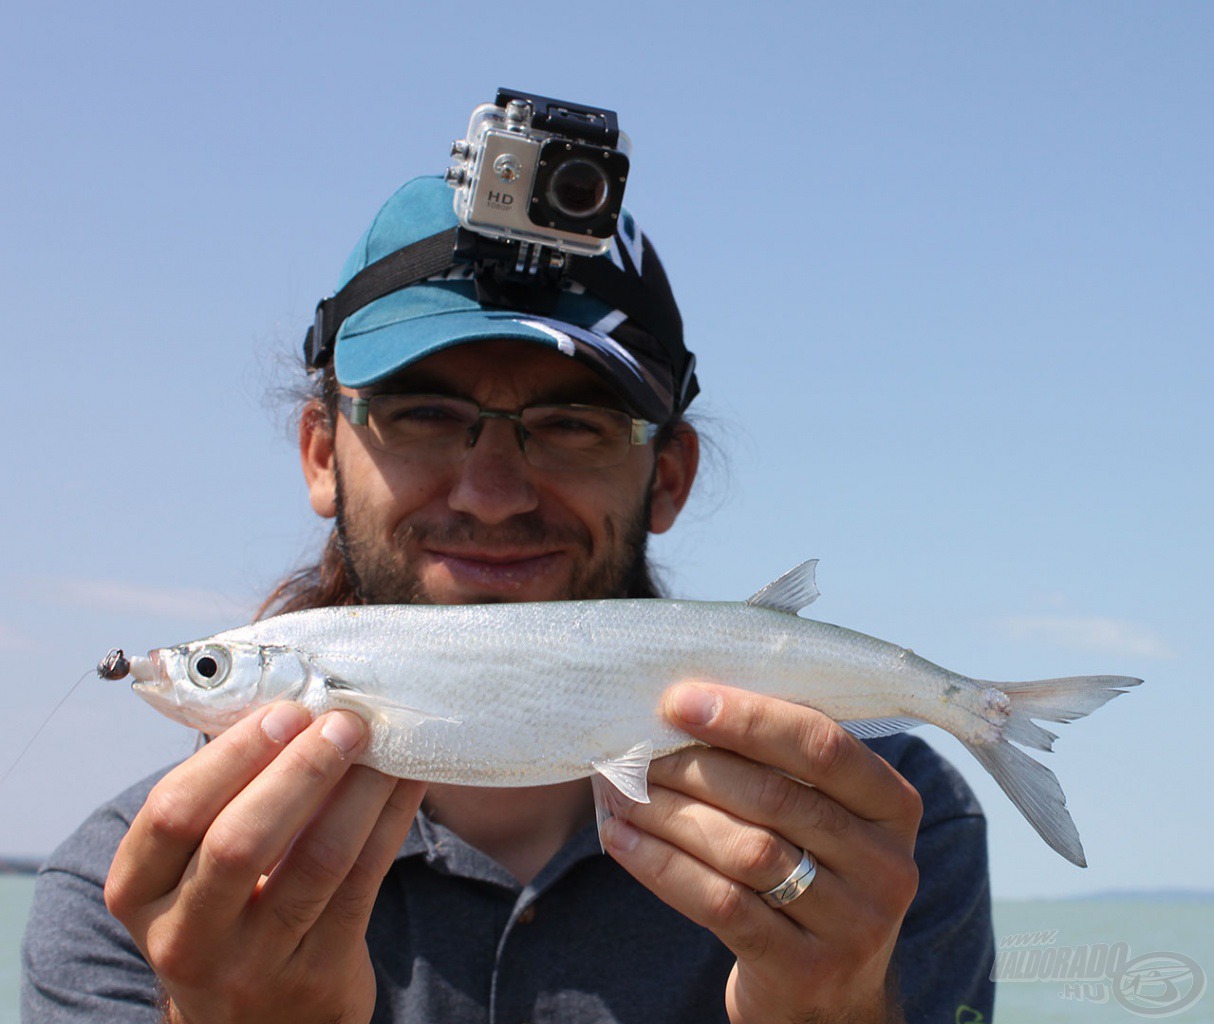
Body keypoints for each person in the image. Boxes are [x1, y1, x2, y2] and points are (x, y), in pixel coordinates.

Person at [22, 172, 995, 1024]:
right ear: (322, 452)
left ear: (667, 478)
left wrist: (839, 1013)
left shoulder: (879, 838)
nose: (491, 495)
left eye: (573, 424)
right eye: (422, 414)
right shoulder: (132, 905)